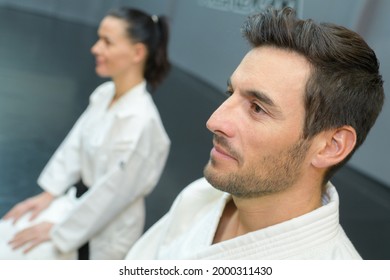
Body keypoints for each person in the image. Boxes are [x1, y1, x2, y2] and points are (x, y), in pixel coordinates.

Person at [125, 7, 385, 260]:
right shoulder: (199, 197)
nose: (215, 121)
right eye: (231, 94)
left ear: (330, 146)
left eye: (258, 108)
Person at [0, 7, 171, 260]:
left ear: (137, 52)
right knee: (8, 230)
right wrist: (48, 194)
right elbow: (75, 147)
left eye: (107, 42)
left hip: (100, 233)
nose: (95, 49)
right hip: (76, 206)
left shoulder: (143, 124)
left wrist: (59, 230)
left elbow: (112, 196)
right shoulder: (104, 95)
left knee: (13, 254)